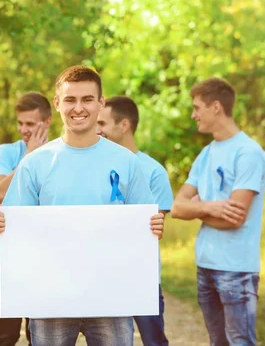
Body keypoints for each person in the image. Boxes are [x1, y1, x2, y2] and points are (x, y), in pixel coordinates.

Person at [0, 66, 165, 346]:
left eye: (87, 99)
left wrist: (155, 225)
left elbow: (146, 225)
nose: (78, 108)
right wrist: (3, 228)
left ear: (101, 103)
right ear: (57, 103)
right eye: (70, 100)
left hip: (112, 298)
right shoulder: (34, 163)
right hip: (50, 300)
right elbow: (14, 227)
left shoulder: (127, 162)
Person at [170, 78, 265, 346]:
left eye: (197, 107)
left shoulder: (248, 153)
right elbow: (177, 207)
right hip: (206, 266)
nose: (193, 115)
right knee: (217, 342)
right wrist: (210, 206)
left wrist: (197, 208)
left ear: (216, 107)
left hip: (236, 269)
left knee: (240, 342)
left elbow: (235, 218)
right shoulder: (206, 154)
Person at [96, 96, 172, 346]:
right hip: (102, 275)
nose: (97, 130)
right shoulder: (95, 167)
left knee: (153, 341)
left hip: (143, 276)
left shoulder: (154, 172)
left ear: (124, 125)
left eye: (103, 123)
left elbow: (153, 229)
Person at [0, 92, 53, 346]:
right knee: (6, 335)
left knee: (39, 335)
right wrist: (30, 155)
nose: (23, 129)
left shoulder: (58, 153)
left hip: (44, 258)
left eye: (30, 123)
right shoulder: (5, 152)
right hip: (4, 259)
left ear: (47, 122)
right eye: (20, 123)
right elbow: (0, 191)